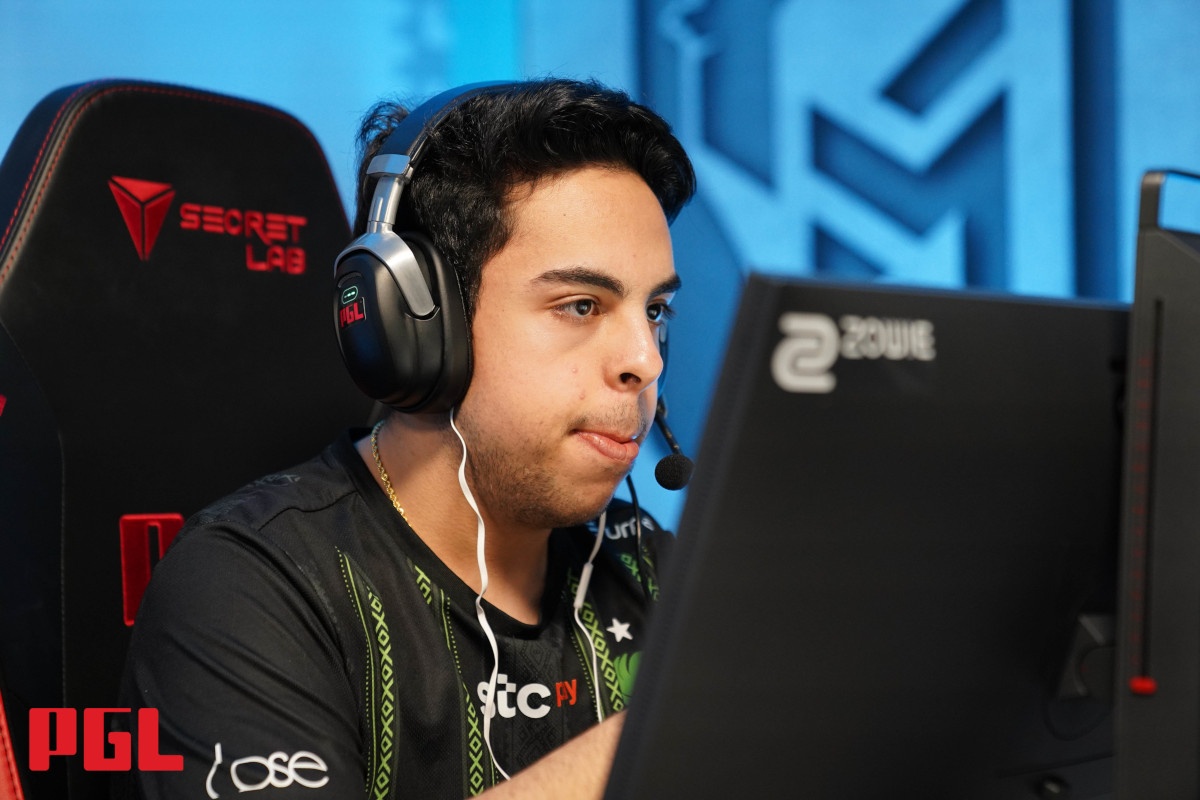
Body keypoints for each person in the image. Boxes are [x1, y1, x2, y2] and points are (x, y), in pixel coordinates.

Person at [116, 78, 695, 799]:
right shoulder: (249, 586)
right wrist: (674, 734)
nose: (645, 361)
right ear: (417, 323)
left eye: (655, 310)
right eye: (581, 305)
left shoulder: (656, 572)